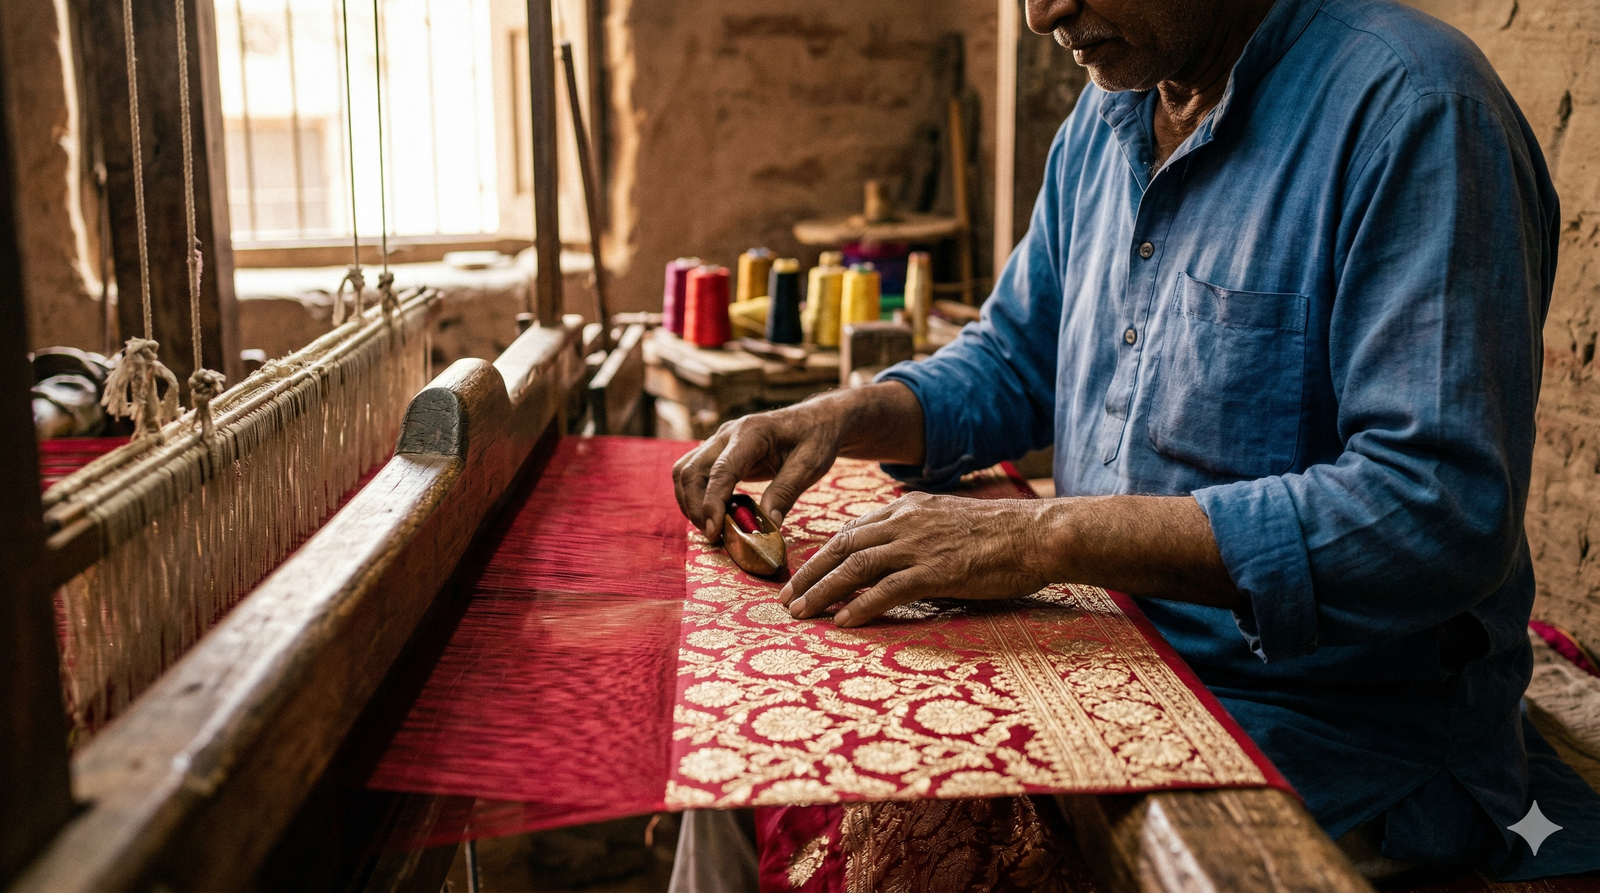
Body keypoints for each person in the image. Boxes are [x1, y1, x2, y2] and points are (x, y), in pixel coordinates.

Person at [673, 0, 1600, 879]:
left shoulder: (1418, 115)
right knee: (742, 749)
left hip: (1320, 729)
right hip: (1116, 648)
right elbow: (1016, 359)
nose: (1042, 14)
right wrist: (842, 415)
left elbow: (1434, 510)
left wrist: (1044, 537)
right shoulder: (1108, 117)